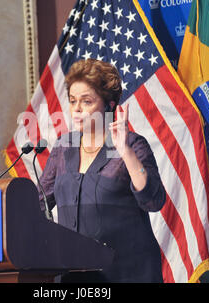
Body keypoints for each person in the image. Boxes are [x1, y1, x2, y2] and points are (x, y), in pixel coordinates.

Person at [38, 59, 166, 282]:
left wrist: (124, 150)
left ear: (109, 105)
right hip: (74, 277)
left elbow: (153, 200)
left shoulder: (133, 145)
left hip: (127, 274)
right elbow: (39, 205)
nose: (77, 109)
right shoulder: (63, 147)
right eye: (72, 101)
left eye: (86, 102)